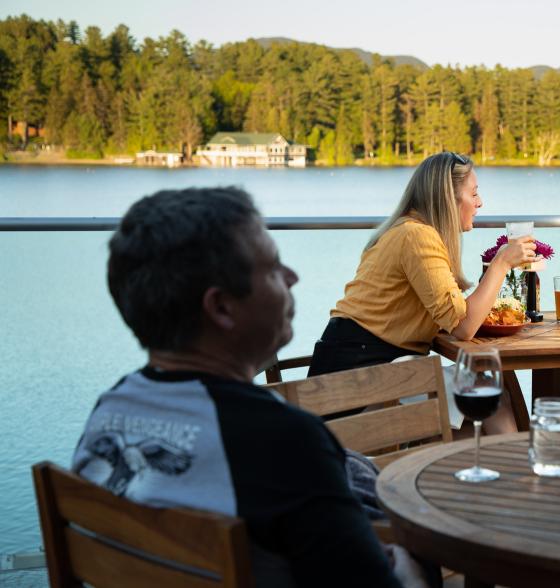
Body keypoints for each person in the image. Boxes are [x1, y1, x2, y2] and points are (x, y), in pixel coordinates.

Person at [71, 187, 427, 587]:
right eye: (273, 268)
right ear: (221, 307)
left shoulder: (109, 411)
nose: (293, 277)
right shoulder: (284, 441)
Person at [308, 152, 536, 433]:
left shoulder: (408, 230)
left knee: (471, 423)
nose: (480, 203)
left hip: (353, 365)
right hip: (358, 378)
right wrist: (500, 264)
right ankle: (522, 475)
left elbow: (449, 315)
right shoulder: (418, 237)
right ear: (447, 199)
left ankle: (496, 472)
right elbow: (463, 328)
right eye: (474, 194)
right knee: (491, 398)